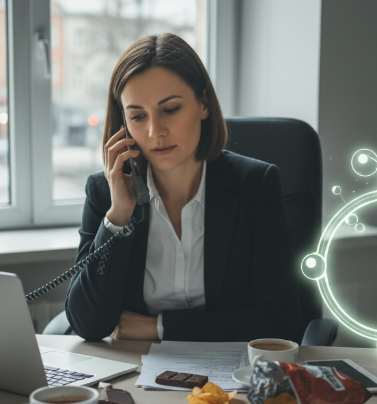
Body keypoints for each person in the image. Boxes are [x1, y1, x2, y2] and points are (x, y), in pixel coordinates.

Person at [66, 33, 299, 342]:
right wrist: (119, 216)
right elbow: (88, 325)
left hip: (231, 377)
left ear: (203, 103)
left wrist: (160, 328)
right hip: (135, 374)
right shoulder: (105, 192)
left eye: (171, 109)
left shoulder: (255, 185)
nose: (155, 131)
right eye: (137, 116)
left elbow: (280, 320)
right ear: (123, 125)